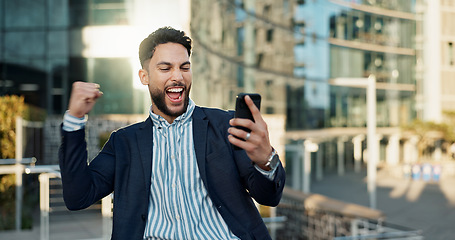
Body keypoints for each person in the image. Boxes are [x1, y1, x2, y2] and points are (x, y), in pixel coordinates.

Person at [59, 26, 285, 240]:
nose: (177, 77)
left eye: (184, 67)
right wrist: (74, 120)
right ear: (144, 76)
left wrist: (266, 161)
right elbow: (78, 197)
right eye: (165, 68)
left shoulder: (226, 126)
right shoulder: (124, 143)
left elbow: (269, 197)